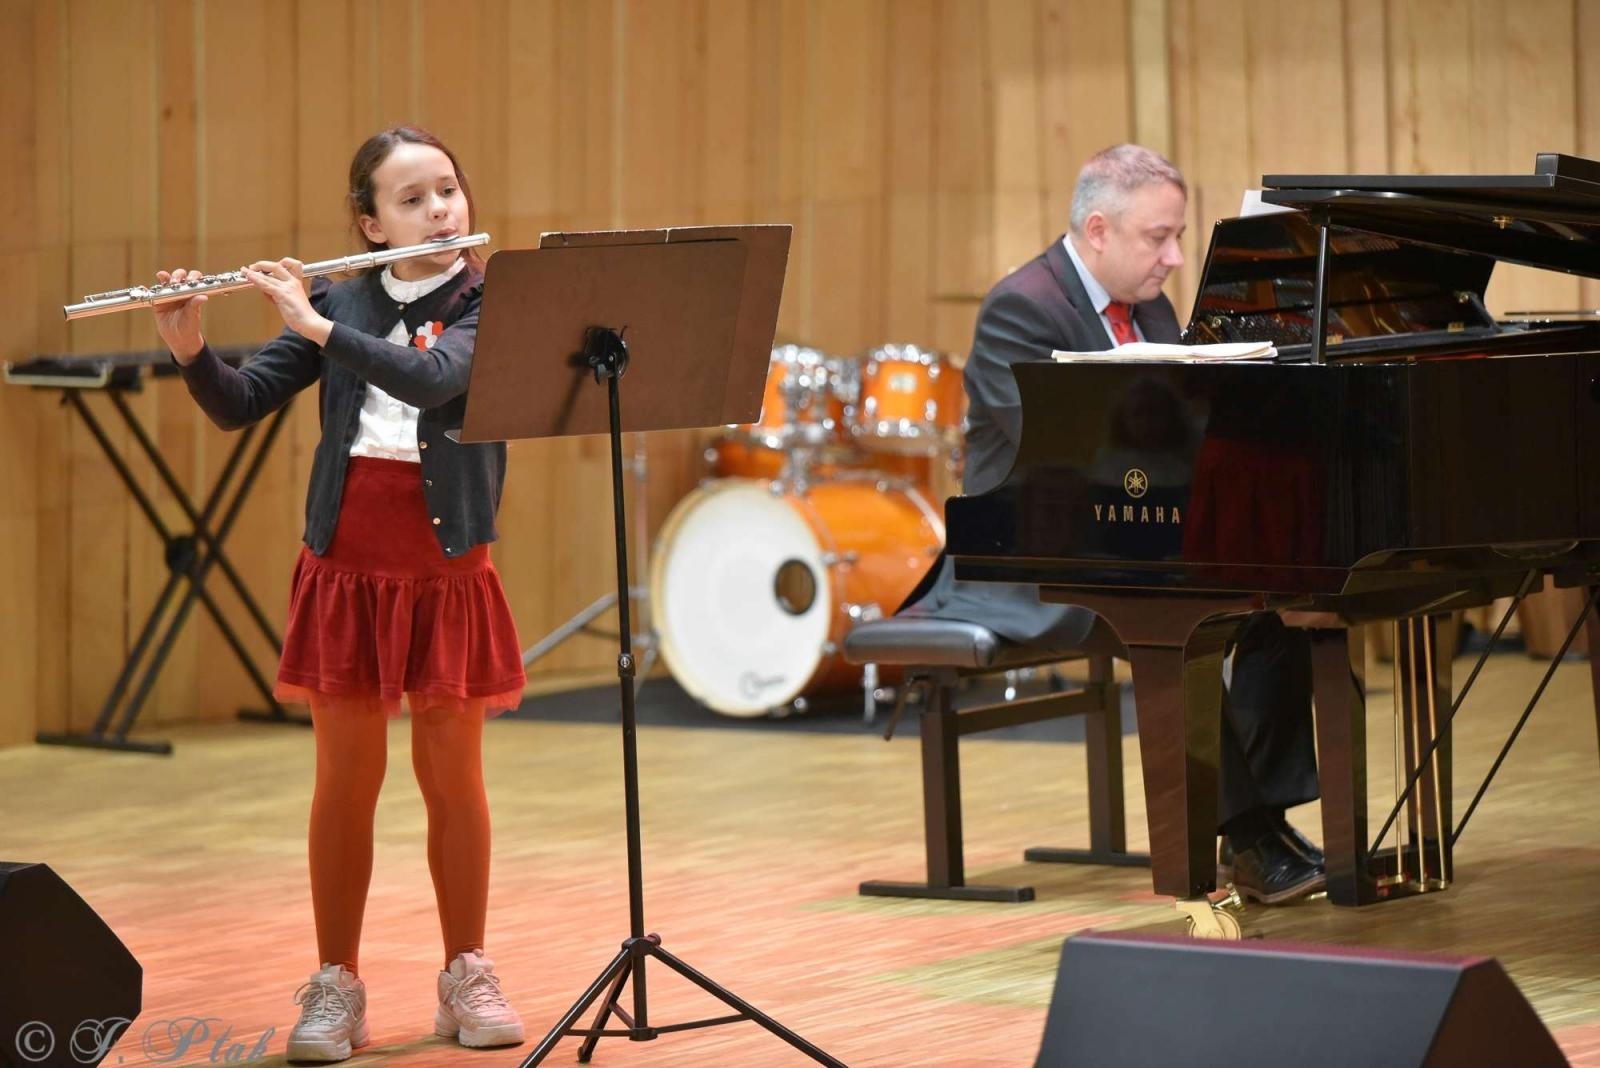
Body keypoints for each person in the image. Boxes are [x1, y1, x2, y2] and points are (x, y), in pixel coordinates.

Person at [155, 126, 527, 1061]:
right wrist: (192, 345)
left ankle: (465, 970)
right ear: (368, 223)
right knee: (344, 784)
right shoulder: (347, 295)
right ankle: (337, 985)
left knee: (454, 783)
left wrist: (321, 328)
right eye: (412, 200)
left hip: (446, 576)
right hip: (347, 572)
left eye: (449, 190)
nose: (440, 210)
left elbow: (438, 378)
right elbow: (241, 402)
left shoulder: (494, 301)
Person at [905, 143, 1325, 905]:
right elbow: (1061, 453)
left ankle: (1258, 824)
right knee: (1182, 624)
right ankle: (1245, 838)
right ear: (1098, 230)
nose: (1174, 257)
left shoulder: (1152, 306)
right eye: (1157, 238)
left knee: (1281, 606)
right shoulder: (1021, 310)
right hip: (1029, 554)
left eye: (1178, 236)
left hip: (1134, 529)